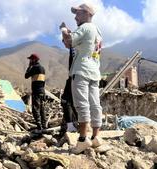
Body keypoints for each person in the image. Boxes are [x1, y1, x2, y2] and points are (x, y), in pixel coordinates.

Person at [61, 3, 103, 154]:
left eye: (78, 13)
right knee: (95, 104)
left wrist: (63, 29)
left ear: (86, 14)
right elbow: (79, 44)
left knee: (82, 105)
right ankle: (96, 137)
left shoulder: (85, 27)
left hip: (81, 71)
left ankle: (82, 139)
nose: (75, 17)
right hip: (94, 71)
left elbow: (69, 42)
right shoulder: (97, 31)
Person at [25, 53, 46, 130]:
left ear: (33, 60)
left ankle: (39, 126)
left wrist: (29, 66)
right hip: (42, 91)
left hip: (36, 91)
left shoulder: (34, 68)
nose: (30, 61)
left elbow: (26, 76)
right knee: (42, 109)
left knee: (35, 109)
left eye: (30, 59)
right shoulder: (42, 68)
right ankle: (44, 126)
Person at [61, 47, 78, 133]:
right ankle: (81, 124)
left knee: (65, 100)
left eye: (64, 40)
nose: (64, 43)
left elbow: (74, 61)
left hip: (74, 77)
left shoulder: (74, 48)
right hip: (81, 77)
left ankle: (71, 126)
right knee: (75, 102)